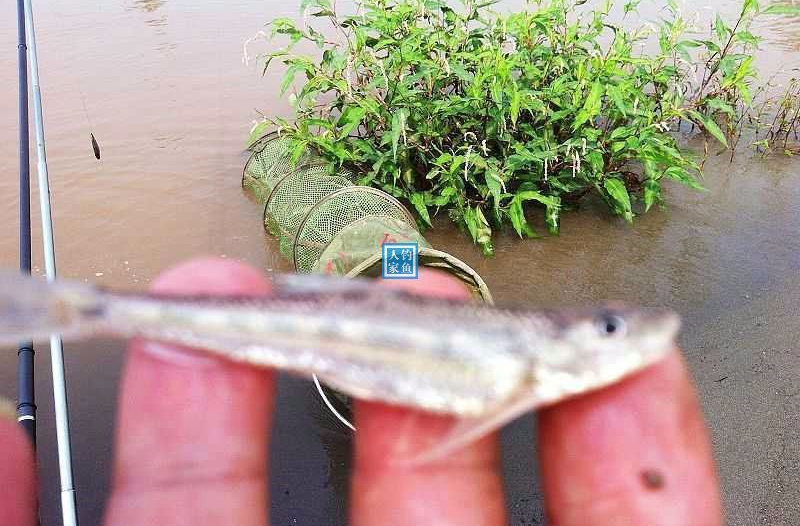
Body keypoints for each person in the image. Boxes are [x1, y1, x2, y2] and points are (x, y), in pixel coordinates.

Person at [0, 258, 723, 525]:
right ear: (567, 337)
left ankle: (86, 309)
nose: (622, 337)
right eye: (607, 328)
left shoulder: (533, 371)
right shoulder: (527, 369)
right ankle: (83, 309)